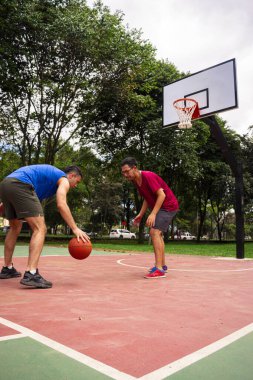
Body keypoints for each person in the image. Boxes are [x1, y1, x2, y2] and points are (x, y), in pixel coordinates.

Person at [0, 164, 89, 288]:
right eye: (77, 181)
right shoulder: (64, 179)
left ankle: (7, 268)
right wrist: (75, 228)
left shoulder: (46, 182)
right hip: (21, 184)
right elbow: (61, 204)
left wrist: (5, 202)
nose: (75, 185)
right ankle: (31, 273)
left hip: (6, 184)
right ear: (71, 175)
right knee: (40, 228)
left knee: (15, 227)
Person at [121, 157, 178, 279]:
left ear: (134, 168)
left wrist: (153, 214)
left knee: (154, 232)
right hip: (162, 207)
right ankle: (162, 266)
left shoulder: (148, 176)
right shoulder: (136, 181)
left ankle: (158, 270)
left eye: (127, 171)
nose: (125, 175)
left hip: (168, 205)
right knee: (158, 233)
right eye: (123, 173)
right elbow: (147, 197)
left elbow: (161, 195)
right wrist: (141, 214)